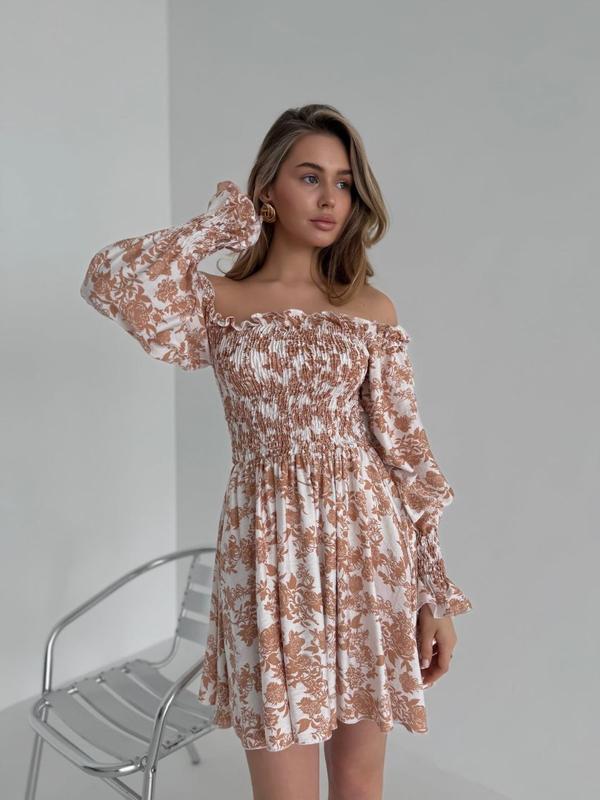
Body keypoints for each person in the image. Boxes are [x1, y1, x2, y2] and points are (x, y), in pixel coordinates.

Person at [80, 103, 472, 800]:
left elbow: (407, 456)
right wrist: (218, 227)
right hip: (268, 555)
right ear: (268, 189)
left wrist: (433, 592)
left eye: (344, 183)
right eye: (310, 177)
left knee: (359, 781)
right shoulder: (219, 301)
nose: (330, 199)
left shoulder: (370, 308)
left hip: (368, 552)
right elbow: (110, 276)